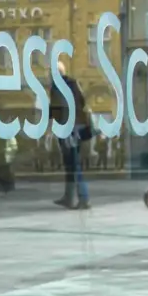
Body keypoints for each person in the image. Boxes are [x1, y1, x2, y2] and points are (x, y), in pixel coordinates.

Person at [54, 79, 92, 210]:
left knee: (74, 164)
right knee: (71, 164)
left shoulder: (60, 88)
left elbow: (59, 111)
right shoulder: (75, 86)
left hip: (69, 130)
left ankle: (83, 198)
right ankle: (69, 197)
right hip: (78, 128)